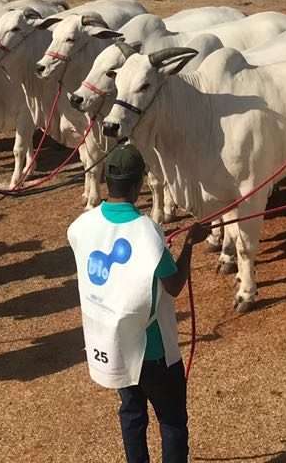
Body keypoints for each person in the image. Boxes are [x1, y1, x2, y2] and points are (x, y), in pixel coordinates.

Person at [66, 144, 210, 463]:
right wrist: (189, 244)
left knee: (131, 413)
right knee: (172, 421)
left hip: (113, 343)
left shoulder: (81, 226)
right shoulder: (147, 231)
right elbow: (172, 286)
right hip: (152, 349)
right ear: (138, 185)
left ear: (106, 180)